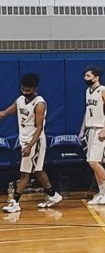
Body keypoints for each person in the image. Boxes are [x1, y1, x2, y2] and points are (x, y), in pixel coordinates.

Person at [0, 74, 62, 213]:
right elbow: (4, 113)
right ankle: (53, 195)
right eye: (23, 89)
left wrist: (30, 146)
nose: (25, 92)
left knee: (24, 173)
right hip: (25, 140)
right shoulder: (20, 100)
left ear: (35, 88)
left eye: (28, 90)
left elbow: (39, 128)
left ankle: (15, 202)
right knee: (38, 170)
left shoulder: (39, 104)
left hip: (35, 141)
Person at [80, 66, 105, 205]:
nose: (86, 79)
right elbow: (88, 111)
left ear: (96, 77)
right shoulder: (88, 91)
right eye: (85, 76)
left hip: (101, 128)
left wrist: (104, 128)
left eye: (88, 76)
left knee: (93, 161)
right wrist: (82, 129)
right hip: (90, 129)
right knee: (95, 162)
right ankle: (101, 191)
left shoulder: (103, 90)